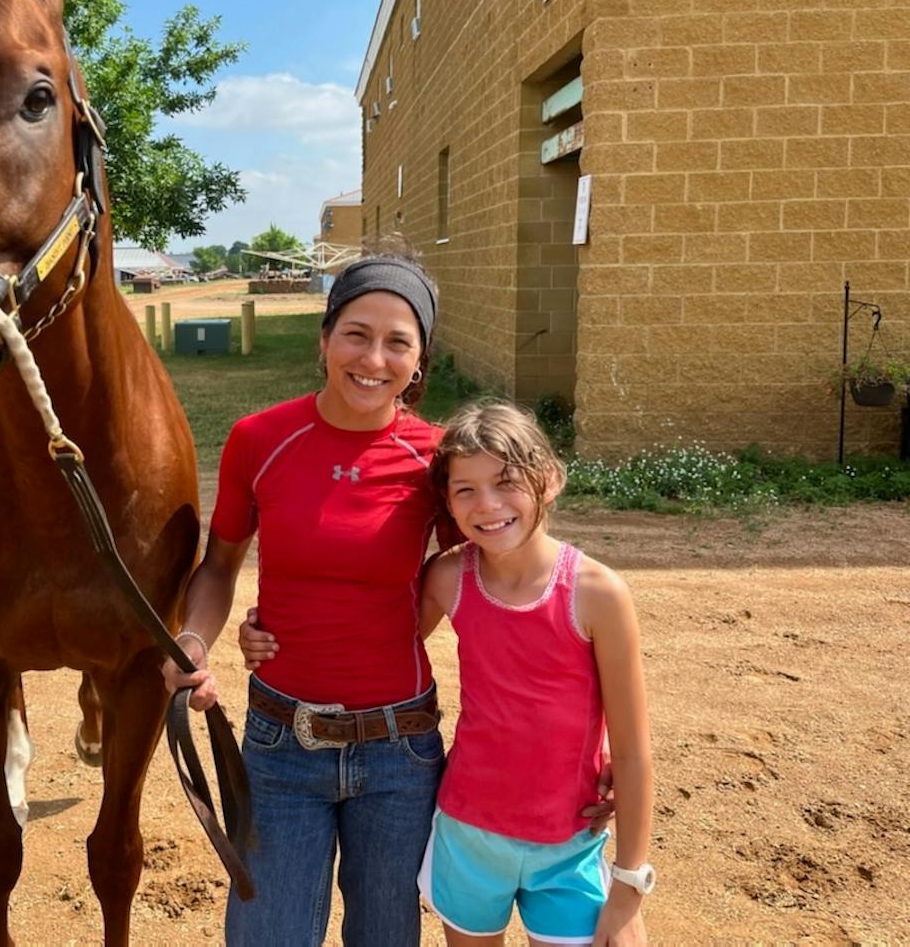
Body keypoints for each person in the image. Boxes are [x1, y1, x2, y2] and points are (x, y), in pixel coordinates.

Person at [161, 254, 461, 946]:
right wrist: (196, 642)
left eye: (398, 343)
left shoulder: (438, 458)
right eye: (356, 333)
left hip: (401, 752)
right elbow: (217, 568)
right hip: (279, 746)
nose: (373, 358)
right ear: (323, 339)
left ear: (419, 363)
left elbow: (469, 568)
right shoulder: (258, 440)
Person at [414, 402, 653, 947]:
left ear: (548, 481)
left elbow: (634, 751)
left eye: (506, 482)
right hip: (467, 837)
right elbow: (379, 651)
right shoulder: (447, 577)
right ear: (448, 503)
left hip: (568, 845)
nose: (488, 505)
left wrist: (629, 889)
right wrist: (270, 631)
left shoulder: (598, 594)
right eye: (465, 489)